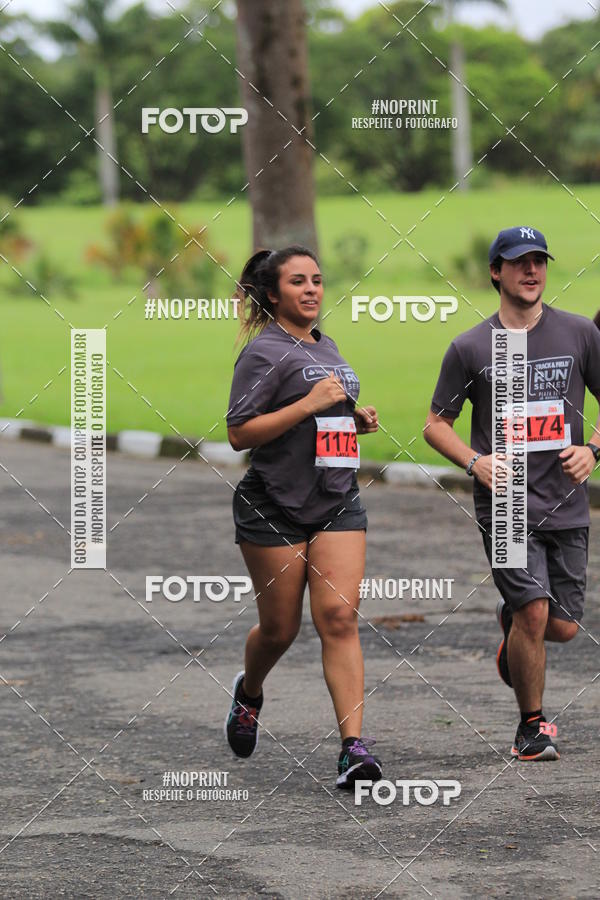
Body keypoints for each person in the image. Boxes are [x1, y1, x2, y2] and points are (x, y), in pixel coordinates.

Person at [424, 226, 600, 761]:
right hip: (505, 505)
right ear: (496, 272)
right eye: (518, 262)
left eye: (539, 261)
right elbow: (436, 424)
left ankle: (515, 629)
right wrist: (474, 462)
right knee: (534, 613)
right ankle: (531, 725)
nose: (532, 271)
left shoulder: (578, 334)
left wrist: (593, 450)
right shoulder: (470, 347)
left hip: (567, 503)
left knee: (564, 628)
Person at [224, 245, 382, 788]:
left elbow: (321, 412)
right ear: (273, 294)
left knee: (338, 619)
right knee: (280, 628)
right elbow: (240, 432)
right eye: (298, 281)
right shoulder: (263, 352)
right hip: (273, 504)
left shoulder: (327, 345)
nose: (312, 289)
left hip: (337, 498)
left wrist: (351, 419)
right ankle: (249, 694)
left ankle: (353, 749)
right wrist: (310, 405)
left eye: (317, 279)